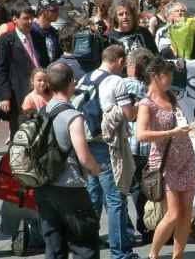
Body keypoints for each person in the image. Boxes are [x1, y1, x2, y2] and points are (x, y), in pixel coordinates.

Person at [35, 62, 101, 259]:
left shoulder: (41, 112)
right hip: (70, 188)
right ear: (71, 83)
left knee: (54, 247)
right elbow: (83, 156)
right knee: (84, 246)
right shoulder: (73, 115)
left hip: (44, 187)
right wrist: (97, 169)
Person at [78, 45, 139, 259]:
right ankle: (120, 253)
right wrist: (137, 107)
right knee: (115, 199)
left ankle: (87, 249)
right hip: (106, 145)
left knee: (92, 198)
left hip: (84, 143)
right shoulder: (116, 81)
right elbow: (128, 114)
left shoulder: (85, 78)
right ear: (120, 61)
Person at [136, 57, 195, 259]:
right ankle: (153, 254)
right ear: (154, 76)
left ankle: (177, 255)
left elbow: (178, 122)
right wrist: (171, 133)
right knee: (172, 214)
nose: (170, 78)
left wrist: (184, 129)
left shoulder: (170, 96)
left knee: (187, 213)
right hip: (165, 161)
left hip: (186, 156)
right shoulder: (147, 103)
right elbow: (141, 135)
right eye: (167, 75)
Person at [124, 48, 154, 244]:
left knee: (128, 187)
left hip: (129, 143)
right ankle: (145, 225)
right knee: (145, 187)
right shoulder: (152, 88)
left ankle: (130, 228)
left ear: (132, 66)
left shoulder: (122, 84)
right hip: (147, 144)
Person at [0, 3, 38, 138]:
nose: (30, 22)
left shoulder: (36, 35)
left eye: (31, 18)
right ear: (15, 19)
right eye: (25, 18)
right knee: (21, 132)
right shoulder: (6, 40)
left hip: (40, 90)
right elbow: (0, 70)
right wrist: (4, 96)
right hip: (19, 93)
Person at [31, 0, 62, 67]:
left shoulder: (54, 32)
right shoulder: (32, 32)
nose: (57, 13)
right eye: (54, 10)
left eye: (58, 9)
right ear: (42, 12)